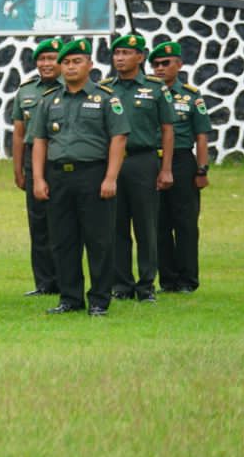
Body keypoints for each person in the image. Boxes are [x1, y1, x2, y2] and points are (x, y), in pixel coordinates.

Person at [31, 38, 127, 316]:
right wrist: (39, 178)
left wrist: (111, 178)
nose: (71, 67)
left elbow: (118, 138)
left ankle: (99, 300)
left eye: (77, 61)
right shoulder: (50, 100)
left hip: (94, 175)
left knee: (99, 240)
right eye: (67, 62)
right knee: (62, 240)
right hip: (59, 176)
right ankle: (70, 298)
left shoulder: (106, 97)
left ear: (90, 65)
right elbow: (39, 140)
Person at [101, 33, 175, 303]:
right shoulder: (106, 89)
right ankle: (122, 284)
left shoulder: (156, 89)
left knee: (146, 226)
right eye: (116, 53)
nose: (120, 58)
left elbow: (168, 129)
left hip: (143, 161)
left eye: (126, 53)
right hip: (114, 163)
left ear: (140, 57)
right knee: (116, 226)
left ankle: (146, 286)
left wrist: (165, 168)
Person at [150, 39, 213, 293]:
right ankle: (167, 279)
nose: (160, 69)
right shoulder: (149, 93)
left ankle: (188, 280)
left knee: (185, 223)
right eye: (155, 65)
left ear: (179, 65)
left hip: (182, 161)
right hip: (152, 161)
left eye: (165, 63)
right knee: (158, 223)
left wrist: (202, 169)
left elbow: (201, 135)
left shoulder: (190, 96)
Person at [7, 37, 63, 298]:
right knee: (38, 222)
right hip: (33, 159)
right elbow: (19, 133)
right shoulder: (26, 91)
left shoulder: (72, 88)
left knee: (64, 223)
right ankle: (44, 282)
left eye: (51, 58)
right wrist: (18, 168)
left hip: (63, 158)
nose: (46, 63)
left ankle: (67, 280)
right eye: (41, 59)